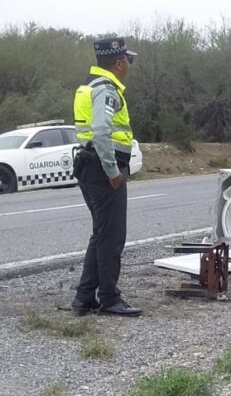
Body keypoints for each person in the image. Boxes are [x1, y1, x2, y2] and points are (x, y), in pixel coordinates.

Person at [71, 38, 142, 317]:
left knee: (101, 234)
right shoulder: (106, 89)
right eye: (128, 60)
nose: (129, 65)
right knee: (112, 237)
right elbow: (101, 131)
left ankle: (84, 297)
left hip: (89, 166)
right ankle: (110, 298)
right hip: (102, 170)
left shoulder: (88, 85)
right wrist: (113, 171)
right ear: (119, 63)